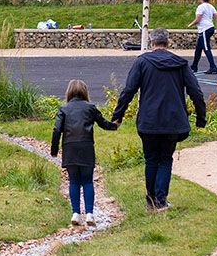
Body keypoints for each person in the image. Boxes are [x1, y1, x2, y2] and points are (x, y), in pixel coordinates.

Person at [111, 27, 207, 212]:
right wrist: (200, 118)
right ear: (167, 43)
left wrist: (118, 116)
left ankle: (151, 199)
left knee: (151, 159)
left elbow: (128, 90)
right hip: (173, 120)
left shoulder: (142, 62)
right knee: (165, 159)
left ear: (151, 43)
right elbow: (195, 91)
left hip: (149, 120)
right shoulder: (180, 64)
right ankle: (160, 200)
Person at [50, 79, 118, 227]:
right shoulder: (90, 108)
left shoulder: (64, 109)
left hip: (70, 148)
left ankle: (75, 213)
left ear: (69, 92)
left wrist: (54, 150)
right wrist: (115, 125)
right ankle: (89, 214)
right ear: (85, 92)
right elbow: (103, 123)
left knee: (73, 180)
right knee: (87, 181)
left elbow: (56, 130)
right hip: (86, 147)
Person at [188, 0, 217, 74]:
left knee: (206, 48)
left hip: (204, 29)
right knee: (198, 49)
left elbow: (198, 19)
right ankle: (194, 66)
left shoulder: (201, 7)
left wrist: (190, 24)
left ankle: (213, 67)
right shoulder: (211, 6)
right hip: (210, 28)